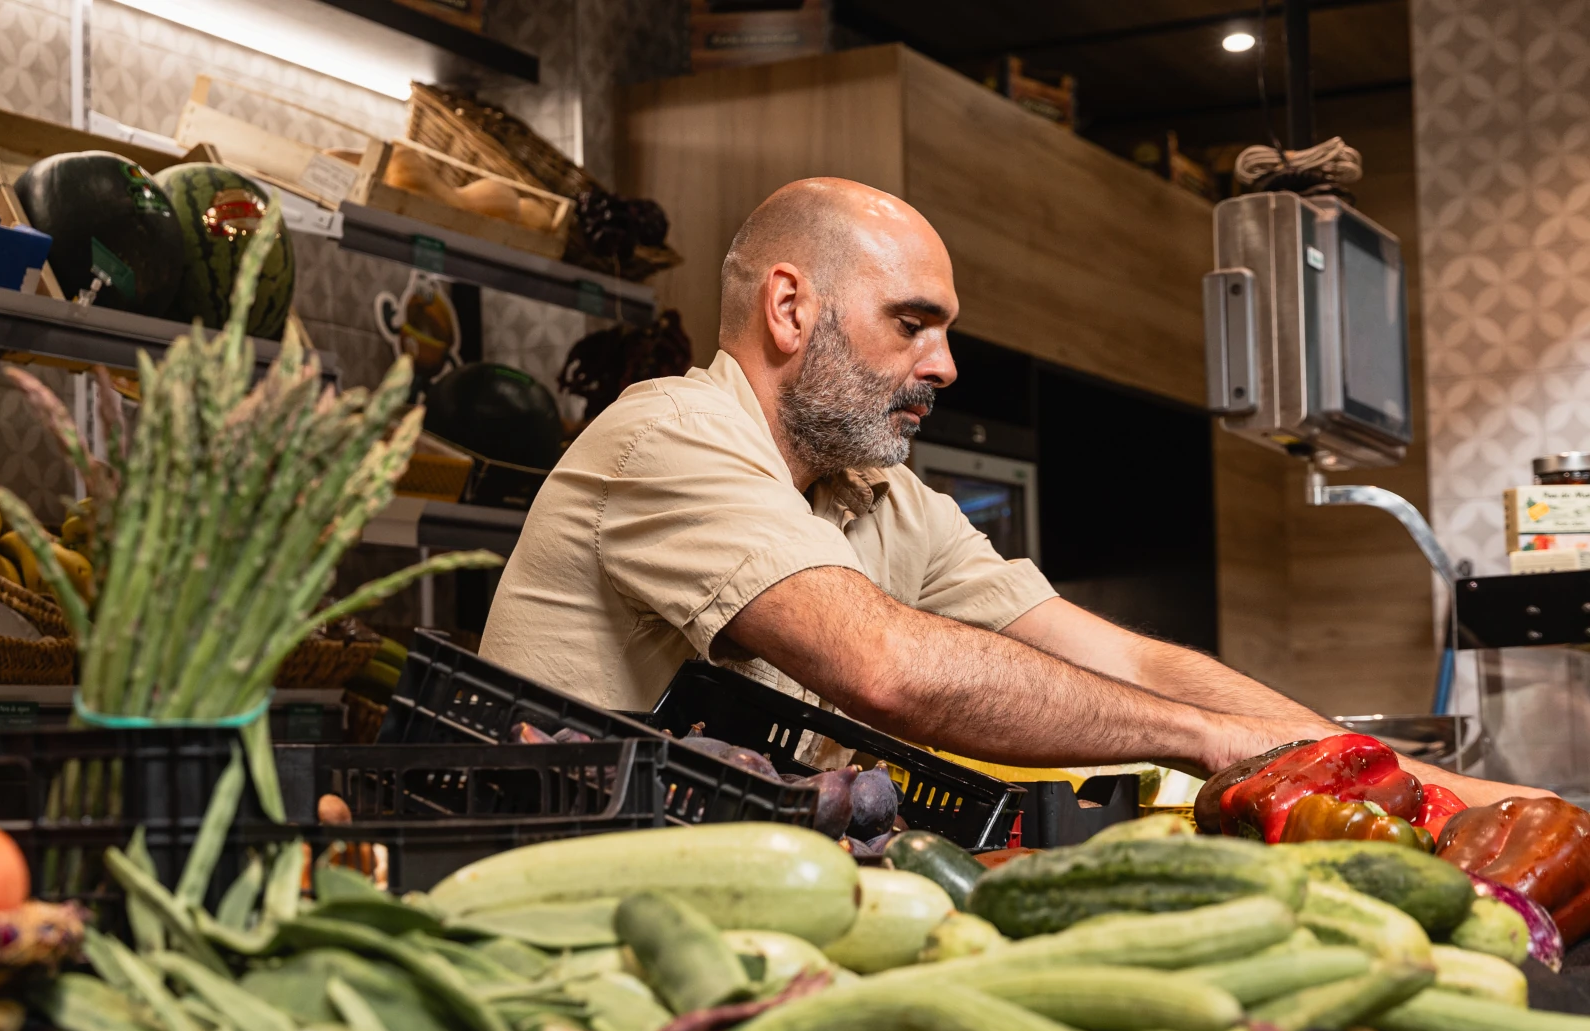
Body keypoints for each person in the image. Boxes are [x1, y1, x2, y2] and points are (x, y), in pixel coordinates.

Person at [480, 176, 1538, 802]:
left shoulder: (881, 499)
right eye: (912, 322)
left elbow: (1120, 655)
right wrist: (1201, 738)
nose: (943, 367)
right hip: (563, 916)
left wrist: (1424, 787)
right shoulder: (671, 433)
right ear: (792, 308)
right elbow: (886, 669)